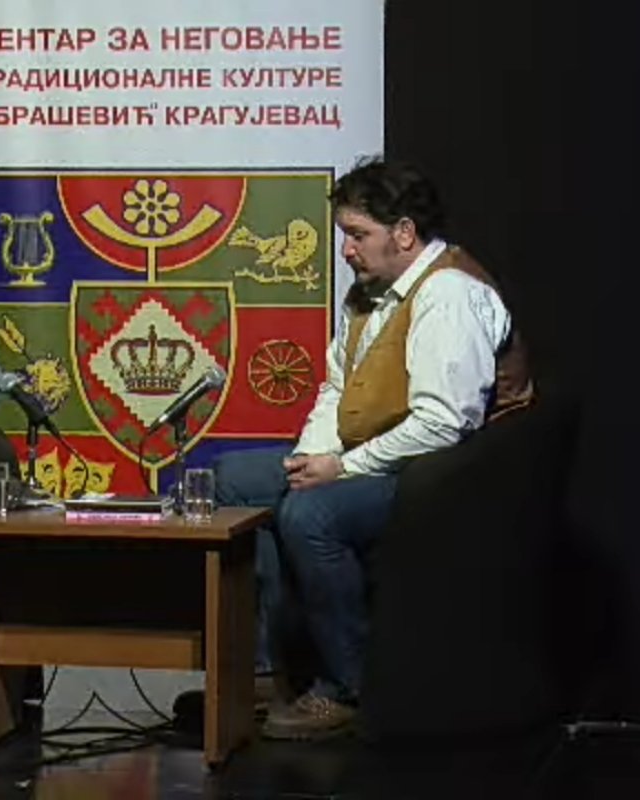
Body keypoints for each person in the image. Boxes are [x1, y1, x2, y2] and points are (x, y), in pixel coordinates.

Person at [214, 156, 535, 739]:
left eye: (358, 235)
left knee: (310, 514)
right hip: (377, 457)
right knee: (233, 481)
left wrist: (341, 468)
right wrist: (310, 457)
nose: (346, 251)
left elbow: (444, 424)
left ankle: (347, 686)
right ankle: (266, 669)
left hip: (442, 477)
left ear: (404, 233)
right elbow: (338, 386)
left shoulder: (449, 294)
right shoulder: (369, 293)